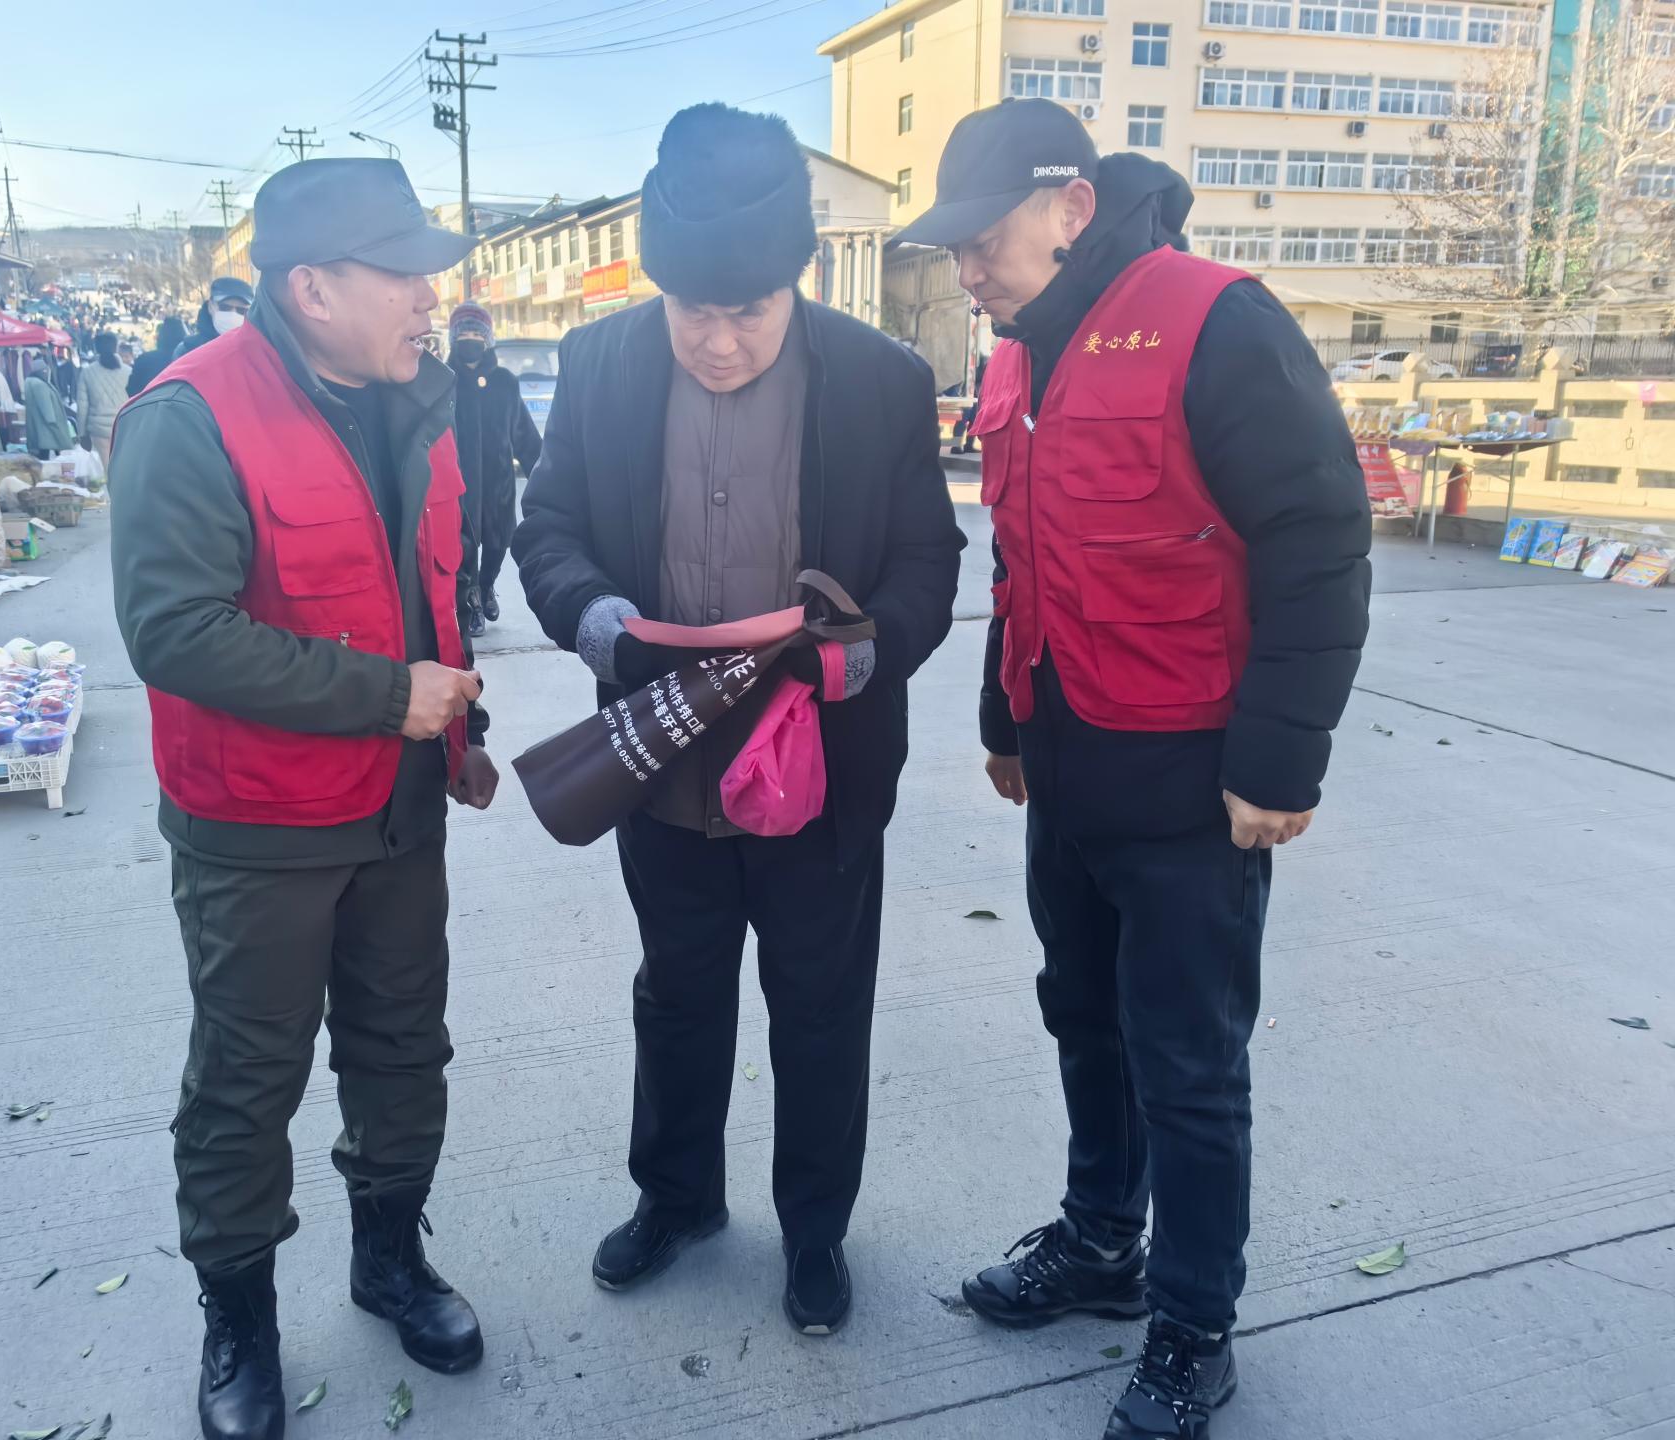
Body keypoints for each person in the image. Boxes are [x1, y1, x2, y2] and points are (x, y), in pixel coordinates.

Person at [898, 101, 1371, 1440]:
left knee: (1189, 1063)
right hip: (1068, 762)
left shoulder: (1216, 320)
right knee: (1084, 1017)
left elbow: (1319, 537)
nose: (966, 272)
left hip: (1191, 783)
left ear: (1072, 208)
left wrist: (1282, 760)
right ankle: (1103, 1238)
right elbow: (1022, 556)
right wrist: (1003, 721)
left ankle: (1192, 1325)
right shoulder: (1015, 357)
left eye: (982, 242)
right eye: (953, 250)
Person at [513, 104, 964, 1337]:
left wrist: (861, 657)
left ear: (797, 277)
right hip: (661, 765)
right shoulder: (602, 367)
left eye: (749, 312)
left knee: (820, 1008)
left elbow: (928, 560)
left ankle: (815, 1232)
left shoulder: (877, 381)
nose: (718, 341)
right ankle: (677, 1199)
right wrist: (599, 621)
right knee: (677, 993)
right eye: (693, 312)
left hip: (821, 773)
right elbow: (548, 530)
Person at [109, 156, 499, 1440]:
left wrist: (456, 729)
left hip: (401, 813)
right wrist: (389, 697)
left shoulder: (418, 401)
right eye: (405, 275)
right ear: (312, 287)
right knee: (246, 1082)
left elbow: (426, 593)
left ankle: (389, 1259)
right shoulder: (191, 414)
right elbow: (175, 631)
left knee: (402, 1049)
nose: (431, 299)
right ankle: (240, 1322)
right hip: (259, 830)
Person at [445, 301, 541, 636]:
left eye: (477, 334)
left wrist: (545, 476)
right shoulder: (443, 382)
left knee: (499, 544)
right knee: (464, 547)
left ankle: (486, 587)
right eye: (464, 334)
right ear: (454, 339)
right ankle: (471, 599)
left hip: (498, 483)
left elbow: (525, 435)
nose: (470, 339)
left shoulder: (505, 382)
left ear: (487, 339)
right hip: (459, 485)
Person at [75, 333, 131, 473]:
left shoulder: (87, 372)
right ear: (115, 347)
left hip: (98, 430)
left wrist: (82, 434)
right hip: (123, 427)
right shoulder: (128, 371)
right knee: (123, 468)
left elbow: (82, 406)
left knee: (106, 470)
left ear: (96, 348)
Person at [175, 277, 256, 362]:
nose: (233, 314)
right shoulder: (187, 349)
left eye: (241, 310)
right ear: (211, 306)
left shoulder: (254, 352)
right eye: (225, 307)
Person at [23, 355, 73, 459]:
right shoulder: (39, 385)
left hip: (39, 425)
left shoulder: (31, 382)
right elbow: (46, 406)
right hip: (48, 425)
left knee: (42, 454)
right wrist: (52, 421)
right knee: (59, 453)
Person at [129, 316, 189, 396]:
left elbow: (131, 389)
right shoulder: (188, 361)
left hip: (148, 402)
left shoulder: (144, 359)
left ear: (160, 337)